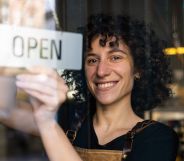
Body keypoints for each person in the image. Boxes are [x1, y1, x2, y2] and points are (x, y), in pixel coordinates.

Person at [0, 14, 179, 161]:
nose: (101, 71)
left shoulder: (157, 138)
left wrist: (48, 123)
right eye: (92, 60)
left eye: (115, 57)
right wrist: (11, 36)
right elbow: (4, 108)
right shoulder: (67, 118)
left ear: (138, 69)